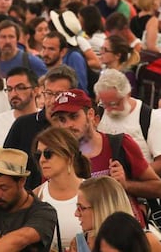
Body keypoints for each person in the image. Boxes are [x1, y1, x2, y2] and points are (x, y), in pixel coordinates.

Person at [51, 88, 161, 227]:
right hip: (85, 241)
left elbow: (158, 188)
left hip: (127, 237)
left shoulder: (120, 144)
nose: (68, 125)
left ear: (90, 114)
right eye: (61, 119)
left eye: (74, 116)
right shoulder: (57, 158)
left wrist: (126, 185)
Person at [4, 65, 79, 189]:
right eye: (48, 93)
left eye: (59, 95)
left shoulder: (76, 127)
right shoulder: (23, 125)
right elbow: (6, 167)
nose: (51, 101)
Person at [33, 127, 91, 251]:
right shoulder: (36, 196)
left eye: (48, 153)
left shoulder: (95, 192)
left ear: (69, 156)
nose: (42, 160)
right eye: (38, 155)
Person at [95, 69, 161, 176]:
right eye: (104, 104)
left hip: (138, 185)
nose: (109, 109)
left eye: (114, 104)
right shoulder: (100, 114)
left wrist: (131, 175)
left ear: (128, 94)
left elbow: (160, 162)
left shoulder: (150, 118)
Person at [70, 176, 161, 252]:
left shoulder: (147, 241)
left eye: (81, 208)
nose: (76, 214)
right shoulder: (77, 245)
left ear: (102, 208)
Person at [0, 67, 39, 169]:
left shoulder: (45, 119)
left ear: (36, 91)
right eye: (9, 89)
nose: (13, 94)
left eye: (20, 88)